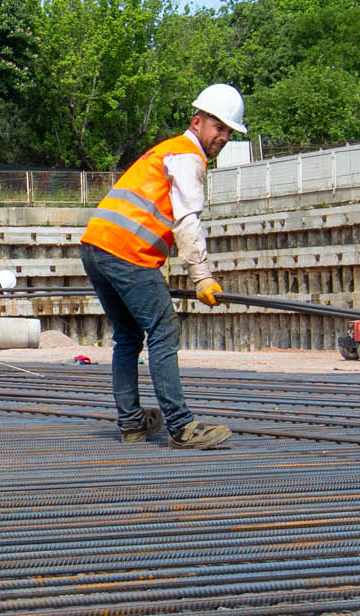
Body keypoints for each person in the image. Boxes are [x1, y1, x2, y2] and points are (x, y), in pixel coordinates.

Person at [80, 85, 243, 450]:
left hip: (96, 247)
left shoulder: (165, 151)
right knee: (162, 330)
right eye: (219, 128)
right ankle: (182, 426)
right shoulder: (188, 156)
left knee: (127, 337)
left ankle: (131, 423)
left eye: (230, 132)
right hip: (125, 252)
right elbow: (186, 221)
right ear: (197, 121)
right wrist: (202, 277)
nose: (224, 137)